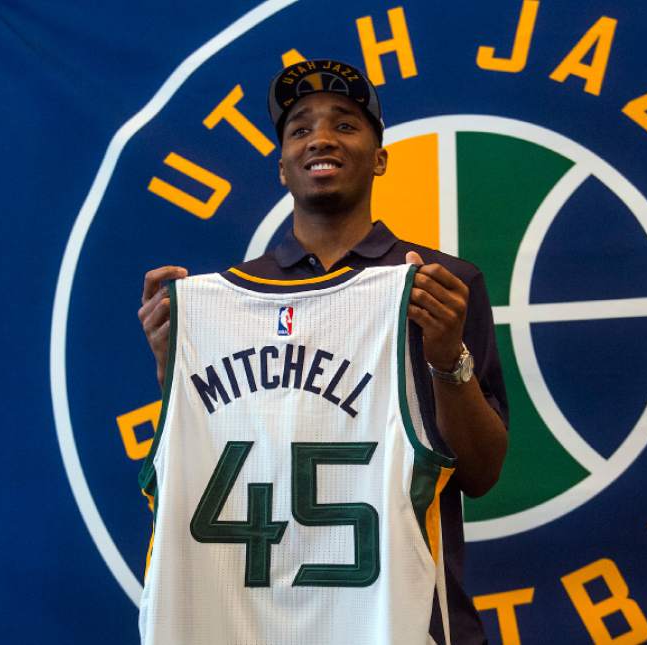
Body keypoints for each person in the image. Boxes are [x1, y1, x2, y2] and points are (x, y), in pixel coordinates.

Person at [137, 59, 508, 644]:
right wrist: (172, 366)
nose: (321, 138)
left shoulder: (440, 285)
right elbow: (188, 462)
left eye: (346, 124)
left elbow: (482, 474)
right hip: (247, 627)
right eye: (300, 128)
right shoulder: (215, 305)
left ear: (381, 157)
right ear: (281, 166)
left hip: (405, 623)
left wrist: (447, 359)